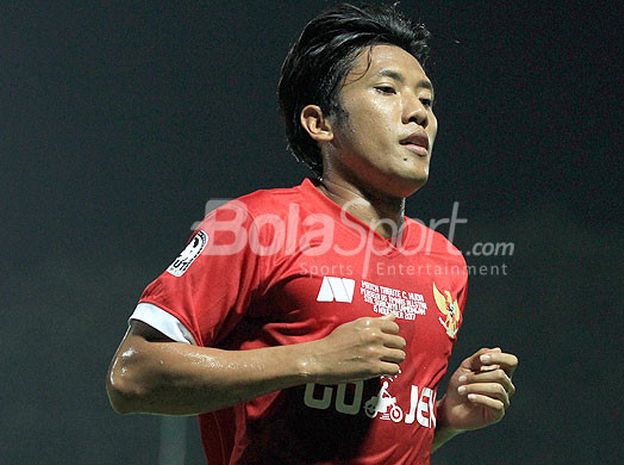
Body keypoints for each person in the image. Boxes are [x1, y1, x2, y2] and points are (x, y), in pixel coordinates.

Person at [106, 3, 518, 464]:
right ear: (320, 123)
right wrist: (311, 359)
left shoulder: (446, 264)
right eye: (387, 90)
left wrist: (443, 420)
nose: (418, 114)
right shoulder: (254, 225)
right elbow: (132, 376)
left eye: (426, 100)